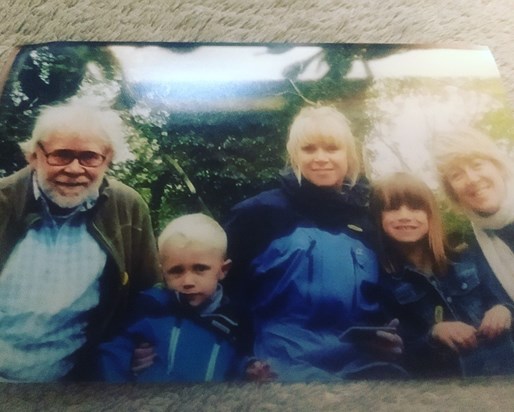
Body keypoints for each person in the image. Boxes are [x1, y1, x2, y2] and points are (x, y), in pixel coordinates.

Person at [224, 105, 406, 382]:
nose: (321, 158)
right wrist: (241, 362)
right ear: (294, 155)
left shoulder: (369, 221)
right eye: (309, 149)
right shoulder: (257, 214)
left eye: (332, 148)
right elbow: (219, 295)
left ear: (349, 155)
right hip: (279, 369)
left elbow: (388, 299)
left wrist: (388, 339)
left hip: (364, 367)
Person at [0, 100, 159, 381]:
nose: (74, 169)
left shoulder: (128, 208)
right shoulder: (4, 203)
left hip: (77, 387)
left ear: (107, 159)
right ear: (34, 156)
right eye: (61, 155)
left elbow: (147, 295)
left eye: (89, 157)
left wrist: (142, 342)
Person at [369, 172, 514, 377]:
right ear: (378, 217)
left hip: (505, 370)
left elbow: (504, 297)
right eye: (392, 208)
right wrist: (434, 334)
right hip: (446, 387)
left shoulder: (467, 255)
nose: (405, 215)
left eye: (415, 207)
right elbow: (396, 350)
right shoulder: (381, 280)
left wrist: (503, 309)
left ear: (430, 215)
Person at [98, 213, 273, 382]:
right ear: (162, 272)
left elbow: (235, 360)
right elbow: (114, 353)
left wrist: (249, 368)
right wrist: (120, 385)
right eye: (176, 271)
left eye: (200, 268)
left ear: (223, 270)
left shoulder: (235, 319)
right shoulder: (150, 307)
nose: (188, 281)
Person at [433, 128, 514, 305]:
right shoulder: (464, 252)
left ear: (498, 166)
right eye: (457, 175)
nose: (472, 179)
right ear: (452, 192)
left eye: (477, 165)